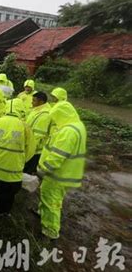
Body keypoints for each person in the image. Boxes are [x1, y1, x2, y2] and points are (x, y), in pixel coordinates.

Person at [0, 98, 36, 216]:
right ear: (21, 110)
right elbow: (31, 149)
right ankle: (1, 211)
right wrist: (22, 161)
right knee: (8, 191)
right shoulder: (25, 127)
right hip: (13, 170)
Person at [37, 101, 87, 239]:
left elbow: (57, 155)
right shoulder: (77, 125)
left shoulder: (68, 131)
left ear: (62, 115)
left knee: (51, 201)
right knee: (49, 196)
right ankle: (42, 213)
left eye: (56, 117)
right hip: (66, 172)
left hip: (57, 174)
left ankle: (50, 230)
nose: (54, 120)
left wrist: (44, 169)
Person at [24, 92, 51, 174]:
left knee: (29, 172)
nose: (32, 102)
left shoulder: (45, 115)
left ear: (41, 102)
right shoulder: (37, 110)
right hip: (31, 147)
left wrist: (29, 149)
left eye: (34, 101)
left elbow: (38, 135)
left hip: (35, 151)